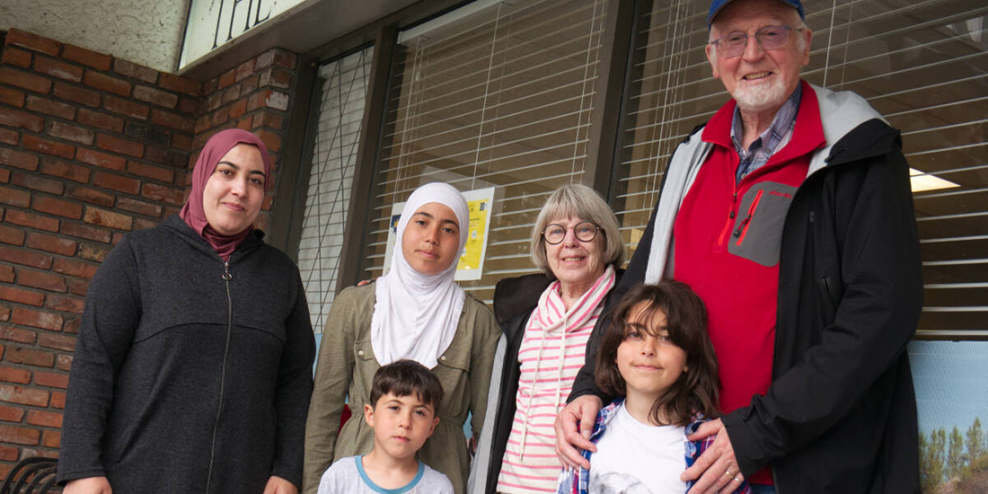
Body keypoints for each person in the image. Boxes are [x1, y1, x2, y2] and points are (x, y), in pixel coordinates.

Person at [554, 0, 923, 493]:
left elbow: (883, 311)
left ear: (804, 45)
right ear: (713, 57)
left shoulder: (859, 153)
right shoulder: (692, 156)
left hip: (789, 471)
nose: (750, 54)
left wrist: (759, 433)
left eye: (770, 34)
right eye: (732, 39)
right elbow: (635, 292)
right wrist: (591, 387)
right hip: (674, 459)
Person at [57, 129, 316, 494]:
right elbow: (94, 364)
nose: (240, 189)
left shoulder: (281, 276)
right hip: (137, 479)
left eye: (255, 180)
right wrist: (82, 467)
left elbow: (295, 384)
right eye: (227, 172)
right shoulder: (139, 255)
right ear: (203, 175)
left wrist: (288, 469)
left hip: (244, 482)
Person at [304, 182, 501, 494]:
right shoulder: (354, 305)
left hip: (444, 475)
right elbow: (324, 409)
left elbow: (488, 428)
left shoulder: (478, 321)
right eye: (421, 222)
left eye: (448, 229)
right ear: (402, 226)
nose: (432, 238)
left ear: (461, 241)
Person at [471, 184, 625, 494]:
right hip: (509, 486)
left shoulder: (628, 315)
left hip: (583, 486)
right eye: (556, 232)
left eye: (584, 230)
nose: (570, 242)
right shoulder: (523, 319)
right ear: (544, 245)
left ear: (605, 238)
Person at [556, 282, 749, 494]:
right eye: (635, 335)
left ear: (688, 358)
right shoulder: (585, 432)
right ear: (615, 352)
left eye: (666, 338)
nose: (648, 349)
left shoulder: (712, 449)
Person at [317, 360, 454, 494]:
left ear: (431, 427)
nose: (405, 423)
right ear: (371, 415)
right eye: (394, 407)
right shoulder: (339, 477)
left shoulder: (439, 488)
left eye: (419, 412)